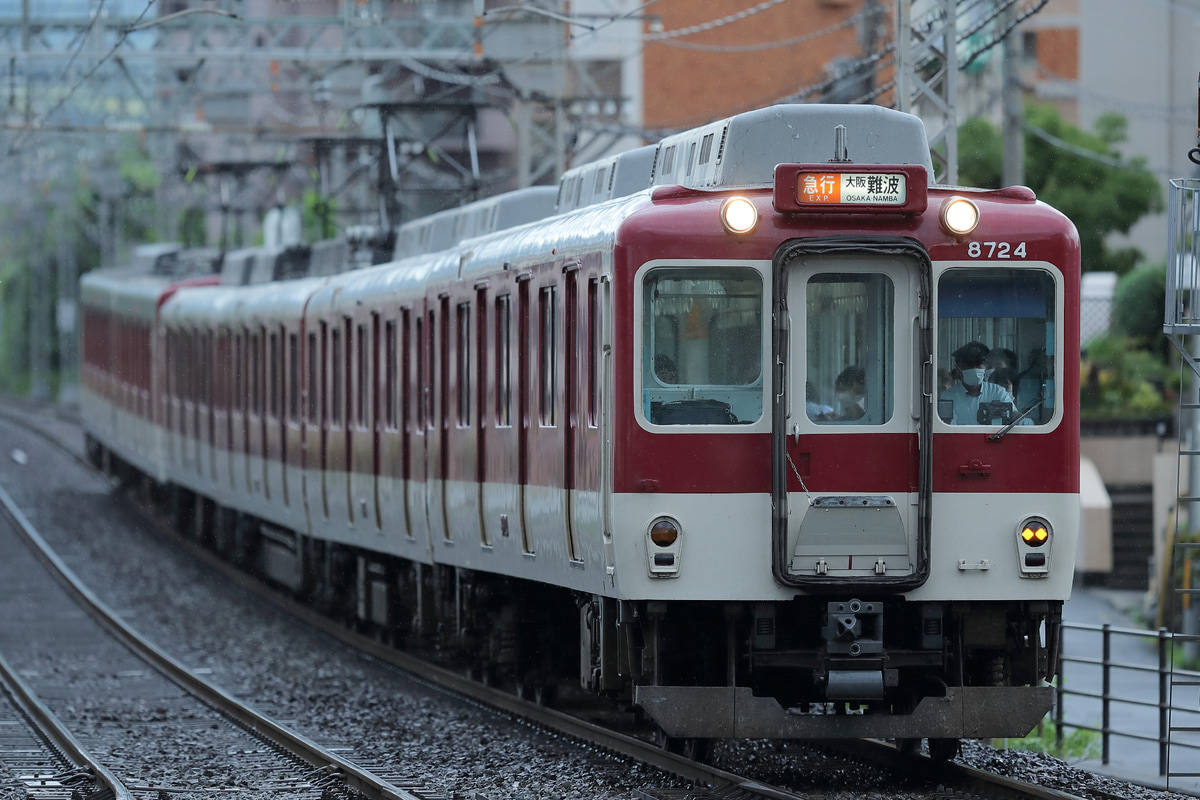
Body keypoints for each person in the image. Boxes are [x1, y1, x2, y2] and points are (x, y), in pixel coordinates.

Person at [939, 341, 1014, 425]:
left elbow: (1015, 419)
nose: (974, 369)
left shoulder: (998, 392)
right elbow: (946, 428)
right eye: (969, 365)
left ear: (985, 366)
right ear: (958, 368)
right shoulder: (948, 397)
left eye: (978, 364)